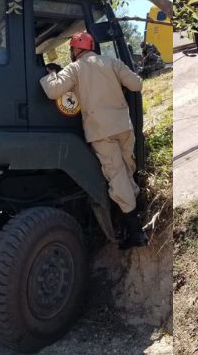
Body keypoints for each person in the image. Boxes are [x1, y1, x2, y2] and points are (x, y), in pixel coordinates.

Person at [40, 32, 147, 248]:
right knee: (127, 171)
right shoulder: (111, 61)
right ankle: (131, 225)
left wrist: (51, 73)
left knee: (117, 177)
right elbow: (136, 84)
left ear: (75, 50)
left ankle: (136, 233)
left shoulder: (75, 68)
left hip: (101, 132)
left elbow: (53, 91)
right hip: (124, 127)